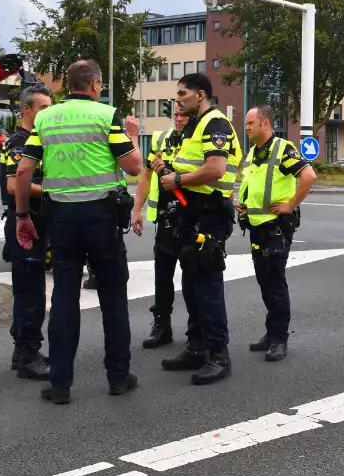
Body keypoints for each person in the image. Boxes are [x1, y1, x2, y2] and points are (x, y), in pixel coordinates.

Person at [14, 59, 144, 405]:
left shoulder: (45, 118)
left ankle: (60, 385)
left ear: (66, 86)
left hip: (63, 219)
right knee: (113, 298)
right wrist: (132, 135)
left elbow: (25, 170)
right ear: (96, 85)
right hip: (102, 217)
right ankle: (118, 377)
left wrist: (23, 215)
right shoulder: (106, 115)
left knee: (64, 300)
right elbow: (133, 166)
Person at [158, 73, 242, 385]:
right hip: (192, 213)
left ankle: (219, 356)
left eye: (183, 93)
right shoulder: (195, 126)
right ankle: (196, 347)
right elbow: (192, 166)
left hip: (210, 214)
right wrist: (169, 172)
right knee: (192, 284)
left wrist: (177, 179)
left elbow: (215, 169)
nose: (178, 99)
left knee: (207, 286)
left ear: (201, 94)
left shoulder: (215, 123)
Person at [236, 105, 317, 362]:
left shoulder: (283, 149)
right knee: (265, 282)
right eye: (246, 123)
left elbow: (309, 176)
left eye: (250, 123)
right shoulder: (254, 152)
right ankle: (271, 334)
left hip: (276, 228)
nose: (246, 127)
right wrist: (244, 202)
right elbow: (254, 183)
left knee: (275, 283)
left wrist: (290, 205)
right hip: (257, 227)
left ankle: (280, 339)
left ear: (265, 124)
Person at [0, 85, 54, 379]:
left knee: (30, 289)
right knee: (30, 291)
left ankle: (22, 349)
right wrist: (51, 189)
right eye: (43, 108)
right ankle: (27, 354)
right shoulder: (19, 143)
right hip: (25, 222)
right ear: (26, 110)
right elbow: (13, 185)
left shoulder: (39, 141)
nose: (48, 113)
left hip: (37, 222)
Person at [131, 103, 191, 348]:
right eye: (174, 114)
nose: (177, 118)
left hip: (191, 219)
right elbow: (145, 175)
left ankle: (195, 332)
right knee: (162, 277)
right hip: (165, 219)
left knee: (193, 280)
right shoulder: (162, 139)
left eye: (182, 114)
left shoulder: (199, 139)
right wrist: (137, 209)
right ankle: (162, 325)